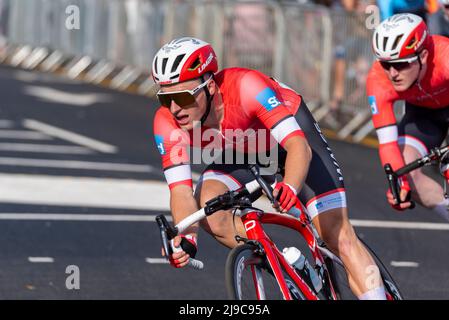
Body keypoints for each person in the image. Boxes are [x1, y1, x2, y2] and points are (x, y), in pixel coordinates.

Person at [152, 37, 387, 299]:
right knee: (209, 207)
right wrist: (187, 238)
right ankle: (291, 270)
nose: (174, 108)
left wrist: (290, 185)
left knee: (337, 234)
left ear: (208, 85)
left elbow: (299, 147)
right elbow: (181, 192)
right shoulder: (167, 122)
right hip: (246, 148)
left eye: (182, 97)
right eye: (166, 98)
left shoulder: (247, 87)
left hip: (292, 140)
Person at [366, 13, 449, 220]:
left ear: (423, 56)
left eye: (401, 64)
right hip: (423, 115)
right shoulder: (378, 79)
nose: (393, 73)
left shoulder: (445, 56)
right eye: (386, 64)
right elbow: (387, 144)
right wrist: (399, 181)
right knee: (404, 172)